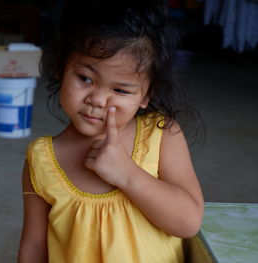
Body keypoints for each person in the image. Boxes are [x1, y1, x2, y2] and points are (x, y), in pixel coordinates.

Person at [18, 0, 204, 262]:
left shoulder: (162, 136)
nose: (97, 99)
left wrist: (126, 174)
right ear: (61, 69)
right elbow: (34, 248)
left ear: (145, 96)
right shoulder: (42, 159)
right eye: (85, 78)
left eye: (120, 90)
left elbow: (188, 223)